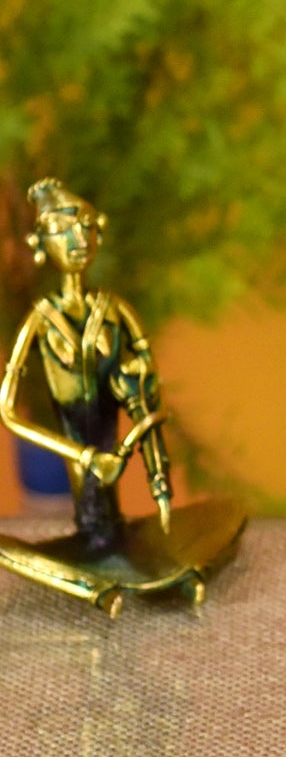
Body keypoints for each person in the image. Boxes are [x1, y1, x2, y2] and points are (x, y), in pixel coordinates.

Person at [1, 179, 173, 555]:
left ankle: (116, 533)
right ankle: (95, 533)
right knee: (93, 502)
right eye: (62, 229)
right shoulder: (40, 320)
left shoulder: (114, 311)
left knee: (108, 503)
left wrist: (137, 380)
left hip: (113, 435)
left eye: (85, 226)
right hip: (75, 439)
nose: (78, 238)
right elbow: (8, 412)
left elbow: (147, 377)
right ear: (40, 245)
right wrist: (83, 456)